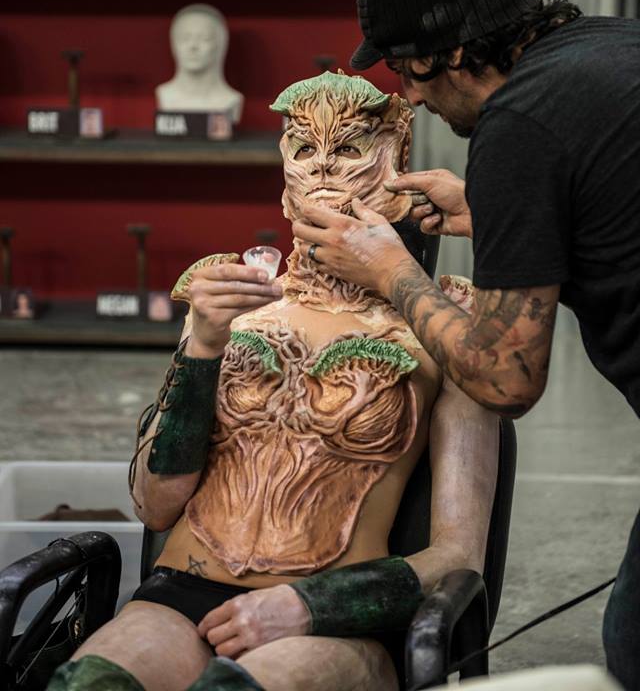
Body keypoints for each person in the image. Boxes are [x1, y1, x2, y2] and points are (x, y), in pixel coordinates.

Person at [48, 71, 498, 691]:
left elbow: (460, 557)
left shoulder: (449, 324)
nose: (323, 168)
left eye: (348, 148)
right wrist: (202, 348)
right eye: (304, 148)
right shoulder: (231, 304)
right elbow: (155, 506)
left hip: (330, 617)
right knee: (88, 684)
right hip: (179, 597)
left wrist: (308, 606)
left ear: (396, 157)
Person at [291, 0, 640, 691]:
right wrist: (499, 211)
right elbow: (612, 199)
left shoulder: (518, 124)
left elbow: (505, 378)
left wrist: (390, 272)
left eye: (407, 71)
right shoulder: (611, 47)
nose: (410, 97)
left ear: (450, 54)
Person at [155, 4, 244, 122]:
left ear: (220, 45)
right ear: (174, 44)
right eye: (185, 38)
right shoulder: (165, 94)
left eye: (205, 38)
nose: (193, 46)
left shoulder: (231, 99)